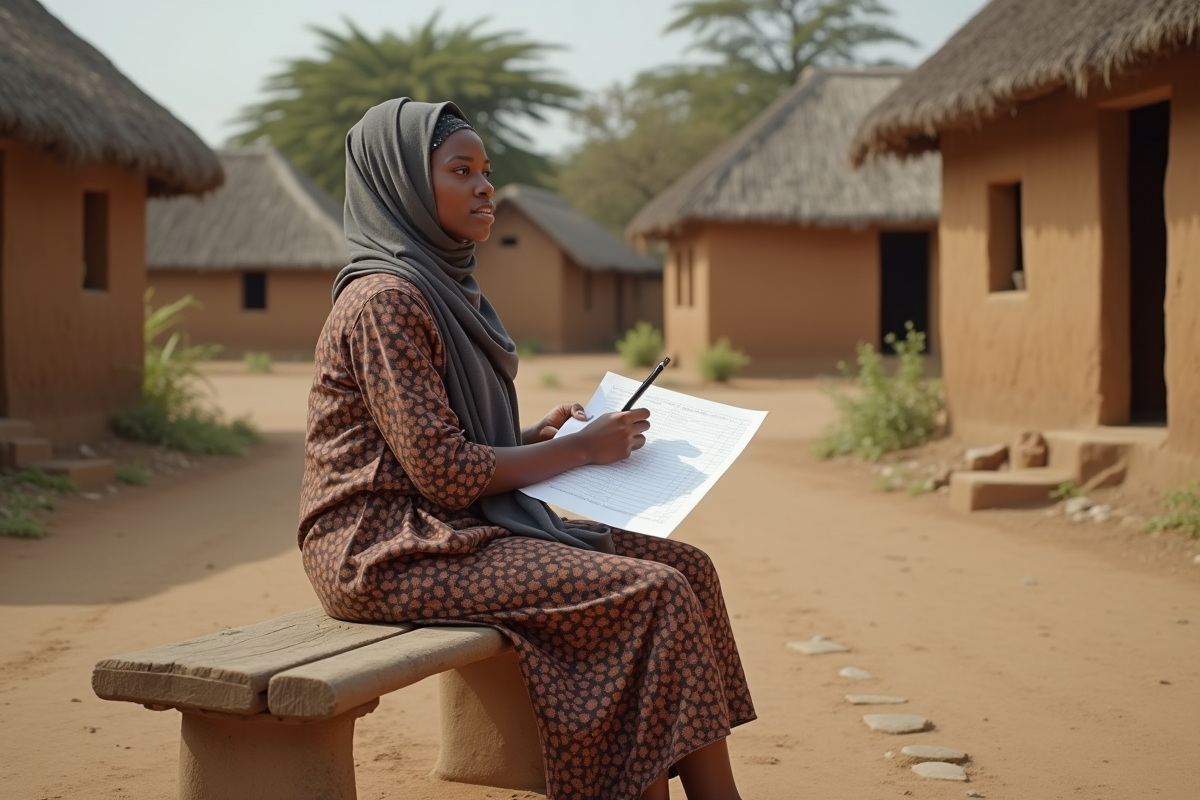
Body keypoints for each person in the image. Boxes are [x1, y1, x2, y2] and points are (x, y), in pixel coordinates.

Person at [298, 98, 754, 800]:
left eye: (486, 171)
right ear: (403, 184)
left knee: (685, 568)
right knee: (650, 592)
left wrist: (533, 440)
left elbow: (438, 446)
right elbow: (444, 470)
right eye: (461, 171)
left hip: (451, 530)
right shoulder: (385, 300)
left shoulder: (444, 290)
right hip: (383, 549)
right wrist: (581, 452)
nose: (485, 187)